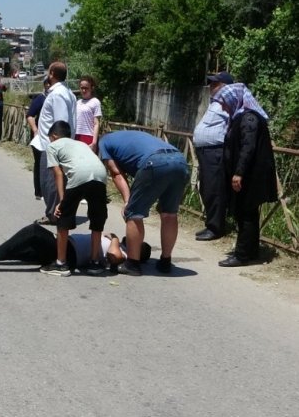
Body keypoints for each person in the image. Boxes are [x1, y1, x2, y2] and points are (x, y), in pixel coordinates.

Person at [99, 130, 189, 276]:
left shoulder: (103, 142)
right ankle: (166, 261)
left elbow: (116, 173)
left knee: (134, 214)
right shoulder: (128, 136)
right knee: (169, 214)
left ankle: (132, 264)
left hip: (155, 162)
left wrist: (128, 201)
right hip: (180, 161)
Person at [213, 83, 278, 267]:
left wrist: (239, 173)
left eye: (225, 102)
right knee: (248, 214)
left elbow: (248, 148)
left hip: (250, 176)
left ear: (234, 100)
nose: (223, 106)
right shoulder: (243, 116)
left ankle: (241, 255)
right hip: (248, 175)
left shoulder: (249, 118)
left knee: (245, 213)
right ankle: (251, 251)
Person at [0, 224, 150, 274]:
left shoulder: (121, 253)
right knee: (15, 248)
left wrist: (113, 239)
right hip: (65, 246)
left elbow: (112, 256)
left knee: (34, 232)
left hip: (70, 254)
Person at [40, 121, 108, 276]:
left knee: (63, 219)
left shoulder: (52, 146)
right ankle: (95, 263)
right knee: (97, 219)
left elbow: (58, 174)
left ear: (54, 136)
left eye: (50, 138)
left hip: (79, 175)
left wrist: (61, 202)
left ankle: (61, 264)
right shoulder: (81, 144)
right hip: (100, 175)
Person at [30, 61, 76, 225]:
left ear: (52, 74)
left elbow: (61, 121)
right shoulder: (66, 92)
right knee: (54, 181)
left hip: (51, 146)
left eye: (48, 71)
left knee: (49, 182)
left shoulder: (57, 95)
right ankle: (56, 212)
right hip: (51, 144)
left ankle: (54, 214)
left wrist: (57, 146)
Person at [192, 71, 233, 241]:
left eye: (215, 84)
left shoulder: (230, 102)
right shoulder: (215, 103)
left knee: (214, 189)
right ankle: (211, 224)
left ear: (226, 87)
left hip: (216, 151)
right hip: (206, 152)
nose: (211, 87)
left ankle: (216, 228)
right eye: (211, 84)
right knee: (206, 188)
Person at [26, 77, 51, 200]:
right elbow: (30, 115)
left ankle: (49, 190)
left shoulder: (55, 99)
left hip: (52, 136)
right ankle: (39, 191)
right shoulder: (40, 99)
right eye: (47, 85)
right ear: (44, 86)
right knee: (40, 163)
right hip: (39, 136)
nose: (49, 87)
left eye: (51, 85)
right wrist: (35, 130)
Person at [74, 75, 102, 150]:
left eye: (86, 88)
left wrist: (94, 142)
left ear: (91, 88)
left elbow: (96, 123)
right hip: (76, 136)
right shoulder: (77, 102)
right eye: (82, 88)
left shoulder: (95, 102)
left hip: (88, 137)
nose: (83, 90)